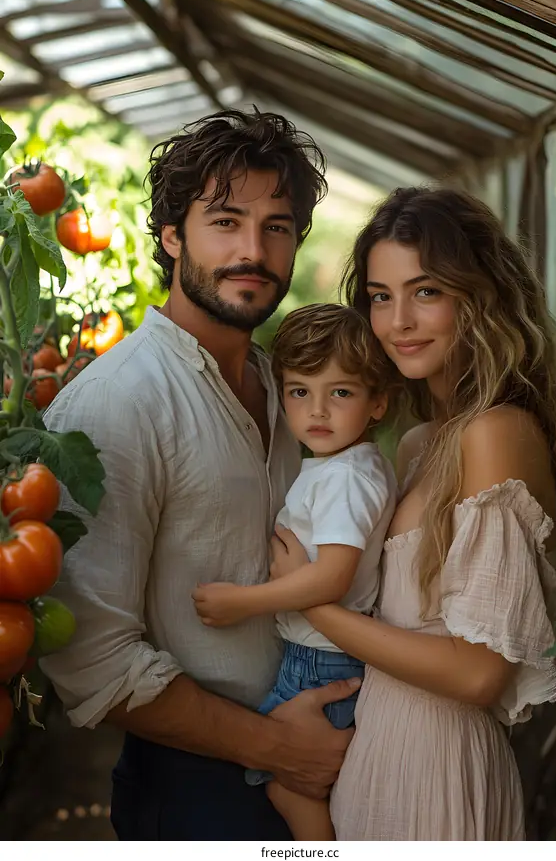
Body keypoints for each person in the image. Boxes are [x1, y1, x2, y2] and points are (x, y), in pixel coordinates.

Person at [39, 109, 360, 841]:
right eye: (225, 221)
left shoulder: (287, 390)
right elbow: (92, 657)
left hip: (307, 757)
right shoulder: (118, 404)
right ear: (172, 236)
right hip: (200, 786)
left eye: (277, 226)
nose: (253, 250)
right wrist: (283, 749)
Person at [268, 187, 556, 840]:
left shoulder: (495, 433)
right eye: (380, 296)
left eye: (425, 292)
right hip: (377, 752)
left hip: (438, 768)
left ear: (479, 297)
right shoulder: (424, 441)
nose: (397, 323)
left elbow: (478, 673)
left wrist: (317, 605)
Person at [193, 303, 399, 839]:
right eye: (300, 391)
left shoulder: (345, 480)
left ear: (378, 401)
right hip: (324, 653)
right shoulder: (348, 465)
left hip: (322, 662)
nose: (317, 411)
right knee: (296, 785)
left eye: (342, 393)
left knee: (294, 786)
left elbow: (331, 577)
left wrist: (243, 601)